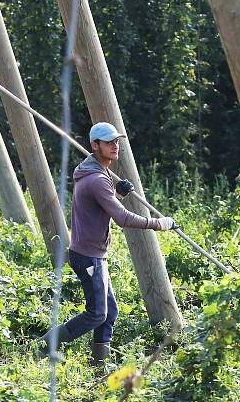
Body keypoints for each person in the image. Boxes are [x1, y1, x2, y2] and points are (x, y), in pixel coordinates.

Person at [37, 122, 176, 366]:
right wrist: (159, 224)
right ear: (95, 145)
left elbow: (99, 207)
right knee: (97, 314)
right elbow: (122, 218)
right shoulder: (97, 179)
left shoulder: (93, 173)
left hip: (93, 254)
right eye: (108, 142)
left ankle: (99, 365)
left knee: (109, 313)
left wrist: (118, 194)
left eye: (116, 141)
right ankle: (45, 345)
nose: (115, 146)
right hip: (89, 256)